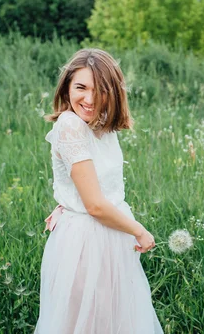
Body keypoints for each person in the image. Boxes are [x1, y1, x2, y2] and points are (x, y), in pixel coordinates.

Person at [35, 48, 163, 334]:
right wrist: (139, 230)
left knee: (112, 321)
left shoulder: (102, 123)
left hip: (111, 235)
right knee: (85, 323)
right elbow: (94, 204)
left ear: (113, 93)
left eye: (100, 89)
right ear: (67, 87)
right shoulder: (70, 126)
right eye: (80, 87)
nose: (89, 99)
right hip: (85, 242)